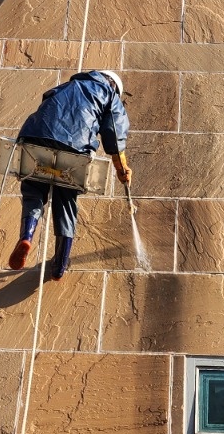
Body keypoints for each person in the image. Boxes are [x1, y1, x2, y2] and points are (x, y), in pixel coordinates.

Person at [8, 69, 132, 280]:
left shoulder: (67, 86)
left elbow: (47, 102)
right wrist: (121, 168)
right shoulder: (108, 93)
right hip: (74, 145)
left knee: (33, 188)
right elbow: (115, 131)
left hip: (36, 136)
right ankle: (60, 263)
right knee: (66, 201)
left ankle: (27, 235)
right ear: (113, 85)